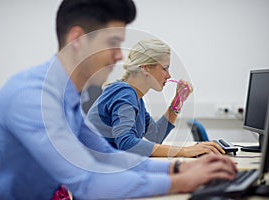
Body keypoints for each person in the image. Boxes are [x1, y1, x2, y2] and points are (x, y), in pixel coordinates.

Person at [0, 0, 237, 199]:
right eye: (113, 42)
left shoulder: (69, 96)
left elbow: (107, 156)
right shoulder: (33, 98)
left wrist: (177, 168)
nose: (120, 56)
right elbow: (86, 183)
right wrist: (182, 181)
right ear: (77, 39)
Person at [87, 39, 225, 157]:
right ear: (145, 69)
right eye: (165, 68)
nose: (169, 75)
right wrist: (184, 151)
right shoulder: (125, 94)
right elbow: (126, 143)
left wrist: (178, 100)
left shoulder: (136, 98)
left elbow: (156, 136)